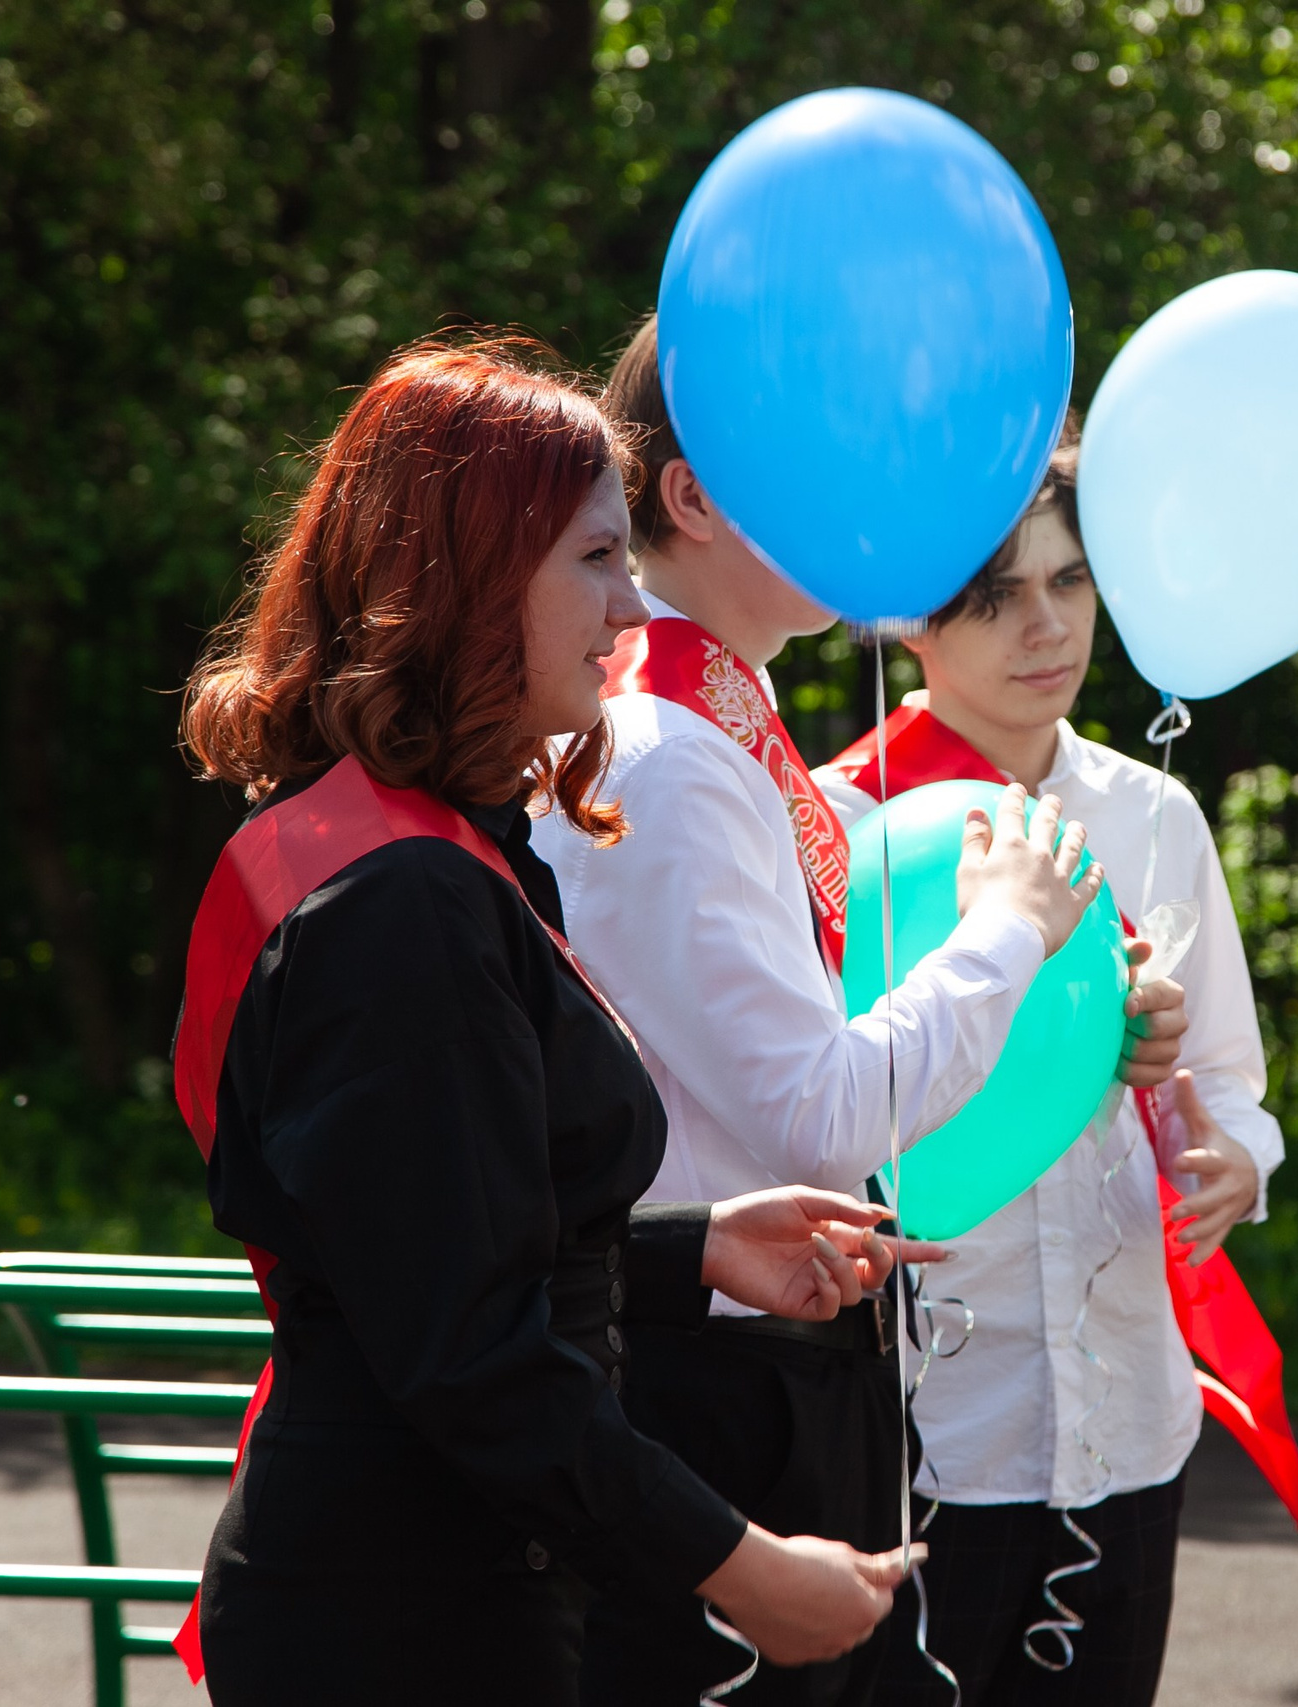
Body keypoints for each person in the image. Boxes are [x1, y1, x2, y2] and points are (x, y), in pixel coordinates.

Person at [172, 338, 929, 1704]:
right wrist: (741, 1562)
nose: (630, 602)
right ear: (463, 578)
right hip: (405, 1614)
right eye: (593, 559)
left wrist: (692, 1248)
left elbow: (427, 1258)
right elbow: (469, 1355)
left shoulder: (415, 846)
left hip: (436, 1577)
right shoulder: (402, 898)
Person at [533, 318, 1190, 1707]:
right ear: (695, 497)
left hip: (754, 1353)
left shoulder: (720, 727)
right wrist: (1012, 924)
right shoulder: (674, 753)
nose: (868, 509)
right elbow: (824, 1118)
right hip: (716, 1378)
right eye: (819, 469)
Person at [815, 416, 1295, 1707]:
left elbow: (1241, 1089)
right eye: (998, 596)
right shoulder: (834, 822)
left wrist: (1232, 1158)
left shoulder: (1155, 813)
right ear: (912, 623)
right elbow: (802, 1109)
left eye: (1071, 581)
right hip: (926, 1425)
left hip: (1131, 1413)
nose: (1048, 626)